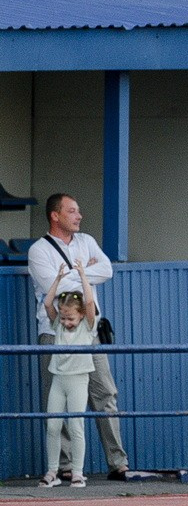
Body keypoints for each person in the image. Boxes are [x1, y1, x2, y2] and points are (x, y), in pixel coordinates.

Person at [26, 193, 128, 480]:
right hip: (55, 333)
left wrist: (71, 274)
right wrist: (83, 273)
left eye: (78, 211)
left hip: (89, 333)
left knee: (105, 393)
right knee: (57, 399)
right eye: (72, 211)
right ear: (55, 215)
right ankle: (66, 466)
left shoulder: (86, 241)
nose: (79, 216)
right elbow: (55, 288)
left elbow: (107, 270)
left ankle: (118, 463)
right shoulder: (39, 250)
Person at [39, 285, 97, 488]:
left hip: (78, 379)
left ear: (81, 315)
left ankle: (77, 472)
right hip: (58, 378)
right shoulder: (58, 326)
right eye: (63, 318)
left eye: (70, 318)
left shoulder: (87, 326)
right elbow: (47, 303)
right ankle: (52, 471)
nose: (66, 322)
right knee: (53, 425)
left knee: (76, 426)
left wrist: (82, 275)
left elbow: (89, 302)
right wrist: (58, 279)